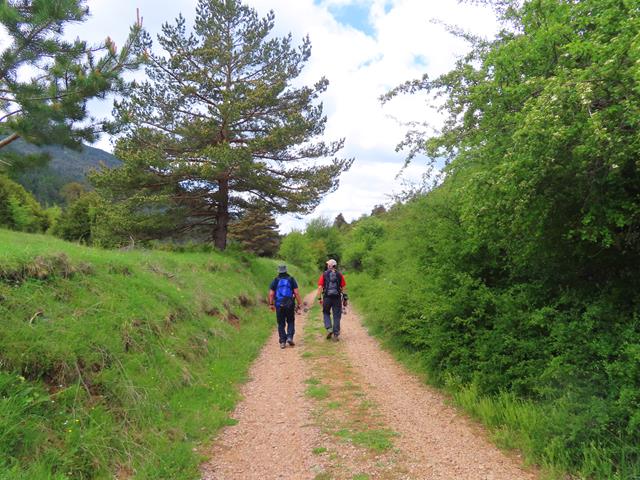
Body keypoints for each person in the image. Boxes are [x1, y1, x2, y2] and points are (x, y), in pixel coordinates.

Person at [268, 264, 302, 349]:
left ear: (278, 271)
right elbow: (296, 293)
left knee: (281, 323)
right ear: (286, 270)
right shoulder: (291, 279)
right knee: (290, 321)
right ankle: (290, 337)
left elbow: (271, 294)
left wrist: (271, 304)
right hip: (290, 304)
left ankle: (282, 342)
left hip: (279, 304)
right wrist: (299, 303)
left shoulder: (275, 280)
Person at [317, 259, 347, 341]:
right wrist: (345, 298)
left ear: (330, 265)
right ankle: (336, 334)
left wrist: (319, 298)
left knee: (326, 312)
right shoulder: (339, 275)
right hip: (337, 298)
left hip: (327, 297)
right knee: (336, 315)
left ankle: (329, 328)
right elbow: (343, 287)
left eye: (328, 264)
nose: (327, 266)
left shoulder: (324, 274)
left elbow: (320, 287)